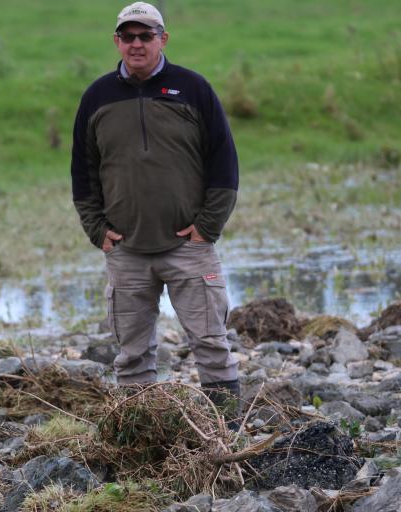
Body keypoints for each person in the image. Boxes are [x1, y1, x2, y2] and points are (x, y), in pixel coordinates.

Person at [70, 2, 240, 414]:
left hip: (189, 247)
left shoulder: (193, 88)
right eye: (128, 36)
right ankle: (142, 438)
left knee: (211, 343)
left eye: (146, 35)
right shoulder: (97, 96)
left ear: (163, 39)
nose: (137, 44)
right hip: (126, 250)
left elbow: (224, 165)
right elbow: (83, 172)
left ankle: (228, 434)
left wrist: (206, 228)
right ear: (117, 42)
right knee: (132, 356)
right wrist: (98, 231)